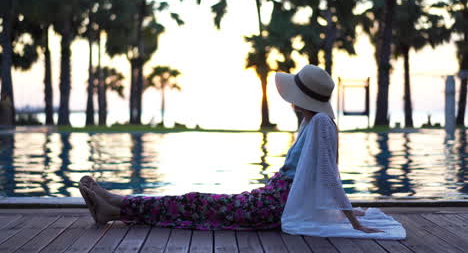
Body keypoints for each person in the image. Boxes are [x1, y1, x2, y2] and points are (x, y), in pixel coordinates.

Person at [79, 64, 405, 238]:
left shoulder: (319, 123)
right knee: (195, 202)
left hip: (272, 207)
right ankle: (116, 204)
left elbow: (329, 178)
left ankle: (117, 207)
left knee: (195, 203)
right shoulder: (312, 122)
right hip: (269, 198)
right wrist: (347, 214)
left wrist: (351, 219)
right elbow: (321, 176)